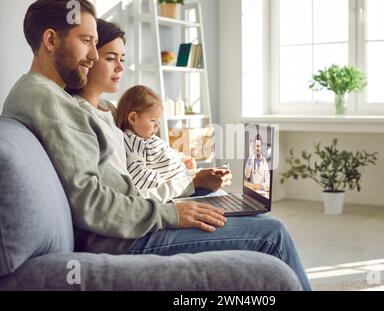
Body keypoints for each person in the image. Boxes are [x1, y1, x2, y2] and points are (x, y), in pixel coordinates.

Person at [1, 0, 311, 290]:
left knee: (255, 217)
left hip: (132, 223)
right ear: (51, 40)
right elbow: (92, 203)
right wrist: (172, 213)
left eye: (96, 44)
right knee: (273, 234)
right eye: (86, 41)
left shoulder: (50, 97)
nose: (94, 56)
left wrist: (180, 192)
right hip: (123, 239)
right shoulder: (50, 103)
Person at [69, 19, 223, 203]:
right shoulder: (84, 119)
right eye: (110, 58)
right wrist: (192, 183)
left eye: (122, 59)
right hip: (149, 212)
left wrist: (189, 174)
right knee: (263, 226)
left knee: (227, 200)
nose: (120, 67)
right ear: (89, 58)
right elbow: (128, 198)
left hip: (165, 196)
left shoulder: (109, 110)